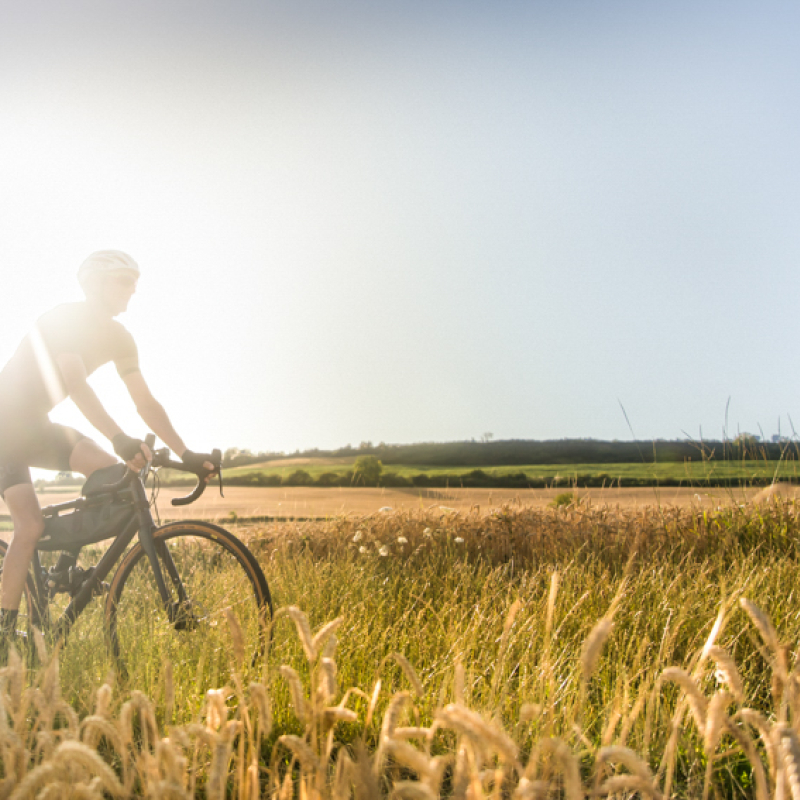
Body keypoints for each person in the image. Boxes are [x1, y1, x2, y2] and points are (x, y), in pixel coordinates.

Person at [0, 250, 217, 640]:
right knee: (29, 525)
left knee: (112, 473)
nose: (133, 289)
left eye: (135, 282)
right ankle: (2, 633)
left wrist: (187, 454)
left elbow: (145, 402)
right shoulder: (65, 319)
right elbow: (76, 382)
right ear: (95, 284)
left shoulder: (121, 338)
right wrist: (119, 437)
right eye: (123, 281)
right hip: (3, 427)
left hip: (36, 426)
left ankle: (62, 568)